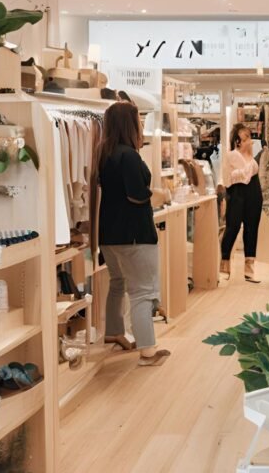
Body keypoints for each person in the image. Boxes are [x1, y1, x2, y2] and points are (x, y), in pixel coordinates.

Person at [96, 101, 171, 367]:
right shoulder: (128, 155)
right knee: (142, 291)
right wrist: (160, 194)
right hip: (134, 235)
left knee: (117, 284)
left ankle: (114, 332)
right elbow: (137, 195)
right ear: (131, 123)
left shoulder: (104, 152)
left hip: (109, 235)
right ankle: (148, 351)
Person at [220, 123, 263, 283]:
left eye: (249, 138)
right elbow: (238, 177)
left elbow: (250, 175)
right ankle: (224, 264)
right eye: (246, 139)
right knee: (233, 227)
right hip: (237, 194)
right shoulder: (232, 155)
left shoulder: (252, 157)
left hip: (254, 194)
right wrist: (250, 162)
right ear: (238, 141)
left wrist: (251, 159)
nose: (249, 141)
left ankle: (249, 269)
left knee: (252, 230)